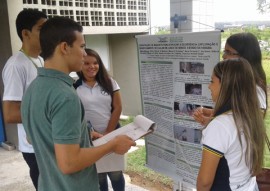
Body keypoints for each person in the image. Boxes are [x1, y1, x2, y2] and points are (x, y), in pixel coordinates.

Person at [21, 16, 136, 191]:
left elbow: (33, 137)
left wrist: (84, 134)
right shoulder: (66, 95)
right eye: (81, 46)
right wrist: (112, 145)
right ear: (65, 48)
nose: (84, 53)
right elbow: (69, 163)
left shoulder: (33, 88)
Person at [197, 58, 266, 191]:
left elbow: (204, 182)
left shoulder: (220, 126)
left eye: (212, 81)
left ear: (225, 85)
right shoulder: (250, 114)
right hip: (250, 186)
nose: (209, 86)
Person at [2, 9, 47, 190]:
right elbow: (11, 114)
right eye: (41, 28)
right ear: (26, 33)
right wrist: (50, 114)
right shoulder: (15, 65)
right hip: (34, 147)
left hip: (47, 140)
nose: (47, 33)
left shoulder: (41, 61)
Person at [74, 48, 125, 191]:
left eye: (95, 63)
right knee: (99, 175)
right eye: (87, 63)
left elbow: (118, 107)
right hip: (90, 137)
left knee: (116, 174)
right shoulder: (74, 87)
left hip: (112, 134)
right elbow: (76, 115)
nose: (92, 66)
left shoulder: (110, 82)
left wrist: (108, 133)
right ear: (80, 66)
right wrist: (92, 132)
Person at [193, 32, 267, 126]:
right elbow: (238, 113)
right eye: (224, 51)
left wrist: (214, 122)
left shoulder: (256, 90)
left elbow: (248, 124)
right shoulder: (240, 82)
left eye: (228, 52)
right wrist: (214, 114)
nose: (223, 56)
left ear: (244, 56)